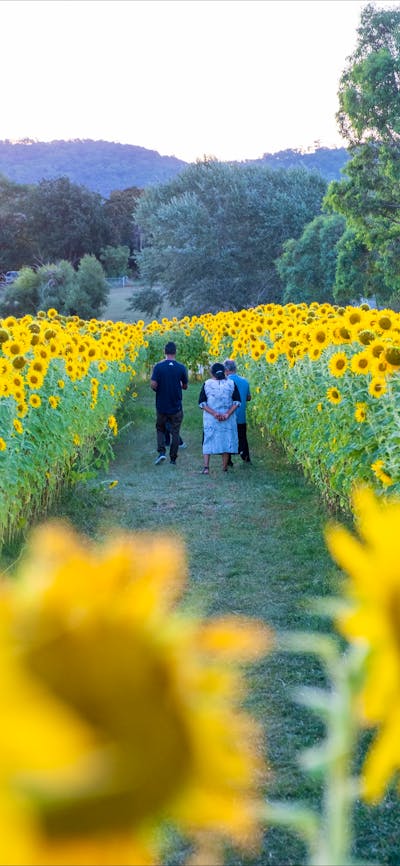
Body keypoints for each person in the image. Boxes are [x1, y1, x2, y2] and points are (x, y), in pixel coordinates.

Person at [198, 362, 241, 474]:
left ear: (212, 373)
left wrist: (214, 414)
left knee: (208, 440)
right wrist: (227, 414)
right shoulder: (231, 383)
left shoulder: (207, 384)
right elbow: (237, 402)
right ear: (224, 371)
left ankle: (206, 467)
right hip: (228, 418)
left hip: (211, 419)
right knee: (226, 440)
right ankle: (224, 467)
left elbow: (202, 403)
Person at [150, 341, 188, 465]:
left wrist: (158, 388)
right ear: (175, 352)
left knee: (160, 428)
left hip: (162, 405)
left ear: (164, 352)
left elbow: (153, 384)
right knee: (175, 432)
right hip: (176, 405)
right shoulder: (181, 367)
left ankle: (161, 452)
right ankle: (173, 459)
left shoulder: (158, 367)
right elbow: (185, 386)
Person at [224, 359, 252, 463]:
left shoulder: (225, 382)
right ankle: (246, 457)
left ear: (226, 370)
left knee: (228, 438)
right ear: (235, 369)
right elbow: (249, 397)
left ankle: (228, 460)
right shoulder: (245, 381)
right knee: (242, 437)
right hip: (241, 416)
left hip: (229, 415)